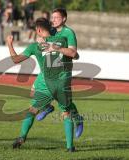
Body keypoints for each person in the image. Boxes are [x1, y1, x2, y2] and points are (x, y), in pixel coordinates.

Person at [7, 17, 80, 152]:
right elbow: (74, 54)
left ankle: (22, 137)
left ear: (39, 30)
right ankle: (70, 147)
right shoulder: (62, 41)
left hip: (47, 84)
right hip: (62, 82)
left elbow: (15, 59)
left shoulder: (35, 47)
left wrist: (9, 44)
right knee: (66, 112)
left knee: (32, 110)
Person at [36, 8, 83, 138]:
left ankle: (78, 119)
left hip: (63, 72)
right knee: (35, 90)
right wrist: (40, 40)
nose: (54, 20)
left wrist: (56, 47)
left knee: (63, 100)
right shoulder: (51, 31)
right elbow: (42, 43)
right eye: (53, 17)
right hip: (50, 69)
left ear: (64, 19)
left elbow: (73, 53)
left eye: (57, 17)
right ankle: (47, 107)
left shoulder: (69, 33)